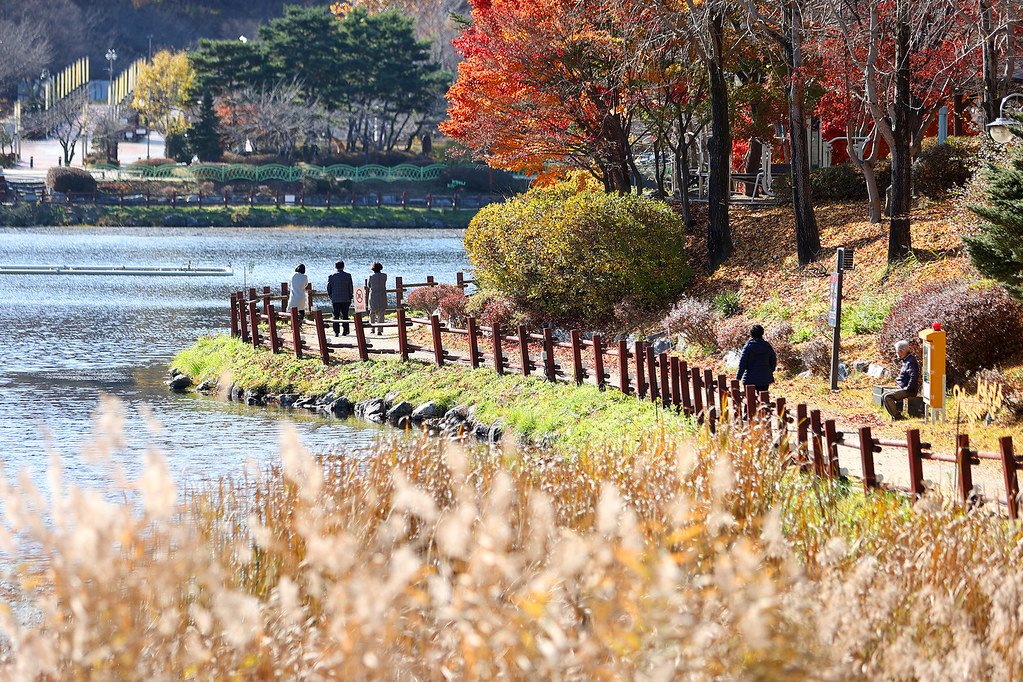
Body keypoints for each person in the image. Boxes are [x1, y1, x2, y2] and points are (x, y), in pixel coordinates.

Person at [883, 340, 920, 420]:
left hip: (908, 390)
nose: (897, 354)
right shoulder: (906, 360)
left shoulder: (910, 361)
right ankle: (896, 415)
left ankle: (897, 417)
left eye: (897, 352)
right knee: (884, 395)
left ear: (901, 351)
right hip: (903, 387)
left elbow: (914, 376)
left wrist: (908, 388)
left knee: (887, 397)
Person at [736, 324, 777, 393]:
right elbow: (773, 360)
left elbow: (742, 363)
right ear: (762, 333)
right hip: (764, 378)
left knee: (749, 400)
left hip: (749, 378)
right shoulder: (767, 346)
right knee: (763, 399)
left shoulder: (748, 346)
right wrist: (770, 371)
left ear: (751, 334)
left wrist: (738, 377)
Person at [327, 260, 354, 336]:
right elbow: (350, 288)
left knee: (335, 315)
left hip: (335, 298)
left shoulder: (331, 276)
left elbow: (329, 288)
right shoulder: (348, 275)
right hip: (346, 298)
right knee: (345, 315)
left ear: (335, 267)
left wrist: (331, 296)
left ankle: (336, 331)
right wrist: (350, 296)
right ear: (343, 267)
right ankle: (345, 330)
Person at [367, 262, 387, 336]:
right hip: (382, 296)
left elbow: (368, 285)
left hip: (373, 296)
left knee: (372, 313)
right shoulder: (384, 276)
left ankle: (372, 329)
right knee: (381, 313)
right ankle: (380, 330)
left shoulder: (371, 276)